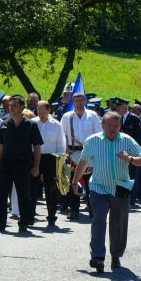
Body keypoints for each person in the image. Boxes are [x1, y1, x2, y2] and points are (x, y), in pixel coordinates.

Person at [71, 111, 141, 273]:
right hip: (99, 188)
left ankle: (116, 255)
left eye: (115, 126)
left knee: (118, 224)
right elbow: (83, 162)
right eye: (109, 125)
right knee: (98, 220)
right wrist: (75, 181)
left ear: (120, 126)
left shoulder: (127, 140)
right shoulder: (92, 141)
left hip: (120, 188)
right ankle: (98, 257)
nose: (112, 128)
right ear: (102, 125)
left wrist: (131, 159)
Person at [0, 95, 43, 232]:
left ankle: (24, 222)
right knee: (1, 193)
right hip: (6, 164)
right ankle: (0, 222)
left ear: (22, 107)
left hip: (24, 164)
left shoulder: (31, 125)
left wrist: (36, 166)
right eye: (10, 105)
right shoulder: (4, 124)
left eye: (15, 105)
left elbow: (37, 147)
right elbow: (1, 147)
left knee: (24, 194)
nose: (11, 108)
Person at [60, 91, 102, 220]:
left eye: (81, 100)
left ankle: (92, 208)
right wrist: (66, 148)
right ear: (73, 102)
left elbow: (99, 134)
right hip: (74, 153)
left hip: (90, 153)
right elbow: (62, 135)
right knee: (74, 182)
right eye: (76, 100)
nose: (79, 103)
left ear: (85, 101)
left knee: (91, 184)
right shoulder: (67, 116)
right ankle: (74, 210)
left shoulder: (93, 115)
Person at [33, 100, 66, 226]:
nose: (40, 115)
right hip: (35, 157)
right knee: (32, 187)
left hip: (50, 158)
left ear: (49, 110)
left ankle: (51, 216)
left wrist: (60, 163)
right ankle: (29, 215)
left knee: (51, 189)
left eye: (43, 112)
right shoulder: (33, 123)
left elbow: (61, 145)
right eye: (38, 112)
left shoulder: (56, 125)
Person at [116, 98, 141, 205]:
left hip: (131, 154)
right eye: (117, 106)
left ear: (126, 107)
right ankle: (120, 196)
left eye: (119, 106)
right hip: (117, 154)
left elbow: (140, 139)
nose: (117, 108)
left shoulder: (135, 119)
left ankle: (131, 199)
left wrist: (138, 155)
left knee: (132, 176)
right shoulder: (115, 118)